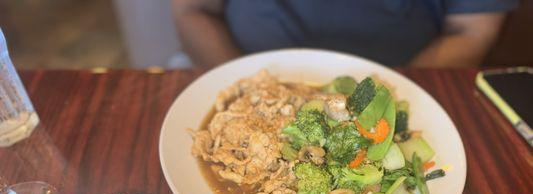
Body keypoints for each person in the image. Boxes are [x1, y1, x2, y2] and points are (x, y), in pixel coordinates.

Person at [171, 0, 518, 69]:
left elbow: (472, 32)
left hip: (406, 80)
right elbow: (192, 11)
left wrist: (387, 98)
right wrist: (243, 85)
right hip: (243, 70)